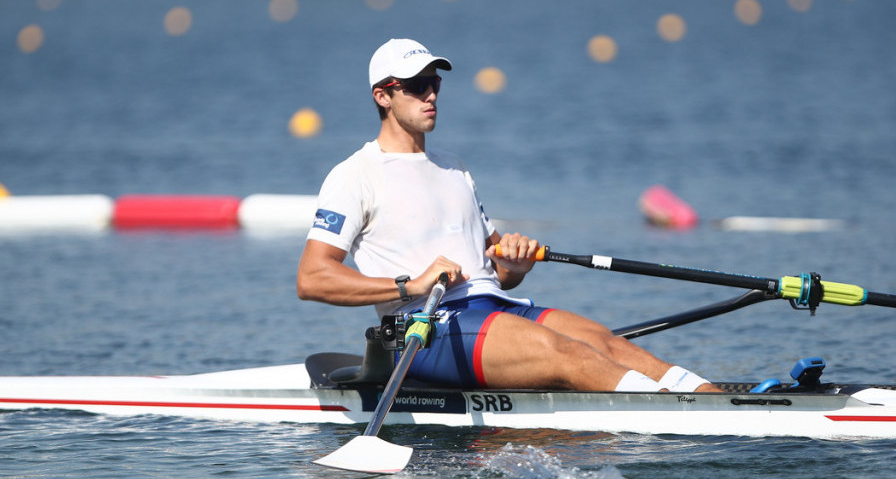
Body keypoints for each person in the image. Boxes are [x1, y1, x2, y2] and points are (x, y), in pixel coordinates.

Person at [296, 38, 719, 393]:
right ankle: (671, 412)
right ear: (382, 96)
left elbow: (496, 270)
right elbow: (313, 277)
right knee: (566, 353)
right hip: (424, 328)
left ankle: (714, 402)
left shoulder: (454, 167)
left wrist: (511, 264)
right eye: (416, 86)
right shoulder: (354, 176)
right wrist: (412, 283)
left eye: (435, 82)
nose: (431, 95)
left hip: (495, 307)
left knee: (606, 344)